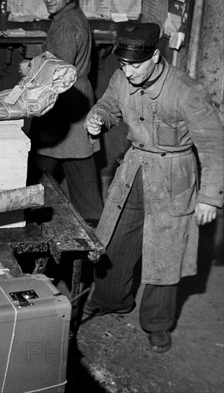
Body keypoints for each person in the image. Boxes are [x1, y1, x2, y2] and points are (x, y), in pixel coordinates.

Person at [83, 22, 224, 353]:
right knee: (116, 238)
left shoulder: (187, 92)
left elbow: (215, 147)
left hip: (174, 176)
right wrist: (98, 118)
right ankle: (110, 299)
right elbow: (109, 106)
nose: (128, 72)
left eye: (136, 65)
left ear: (157, 56)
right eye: (123, 65)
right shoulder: (122, 78)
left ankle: (157, 323)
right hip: (134, 170)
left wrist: (210, 198)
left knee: (165, 253)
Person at [27, 0, 103, 225]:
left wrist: (29, 67)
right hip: (77, 100)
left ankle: (25, 217)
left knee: (36, 170)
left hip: (63, 103)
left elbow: (57, 73)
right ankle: (96, 226)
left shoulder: (64, 24)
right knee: (79, 166)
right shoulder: (75, 17)